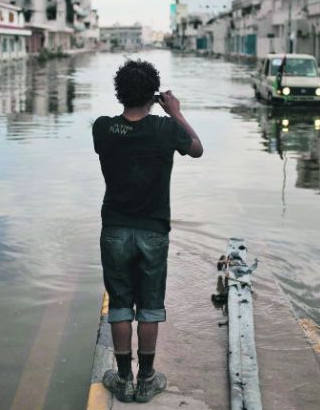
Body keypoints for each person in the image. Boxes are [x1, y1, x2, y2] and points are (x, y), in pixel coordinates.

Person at [92, 59, 203, 403]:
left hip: (114, 229)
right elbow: (197, 148)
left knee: (121, 304)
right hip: (153, 231)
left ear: (119, 93)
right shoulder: (165, 128)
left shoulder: (102, 128)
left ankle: (123, 380)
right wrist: (175, 112)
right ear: (153, 95)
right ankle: (147, 379)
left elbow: (121, 134)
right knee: (150, 305)